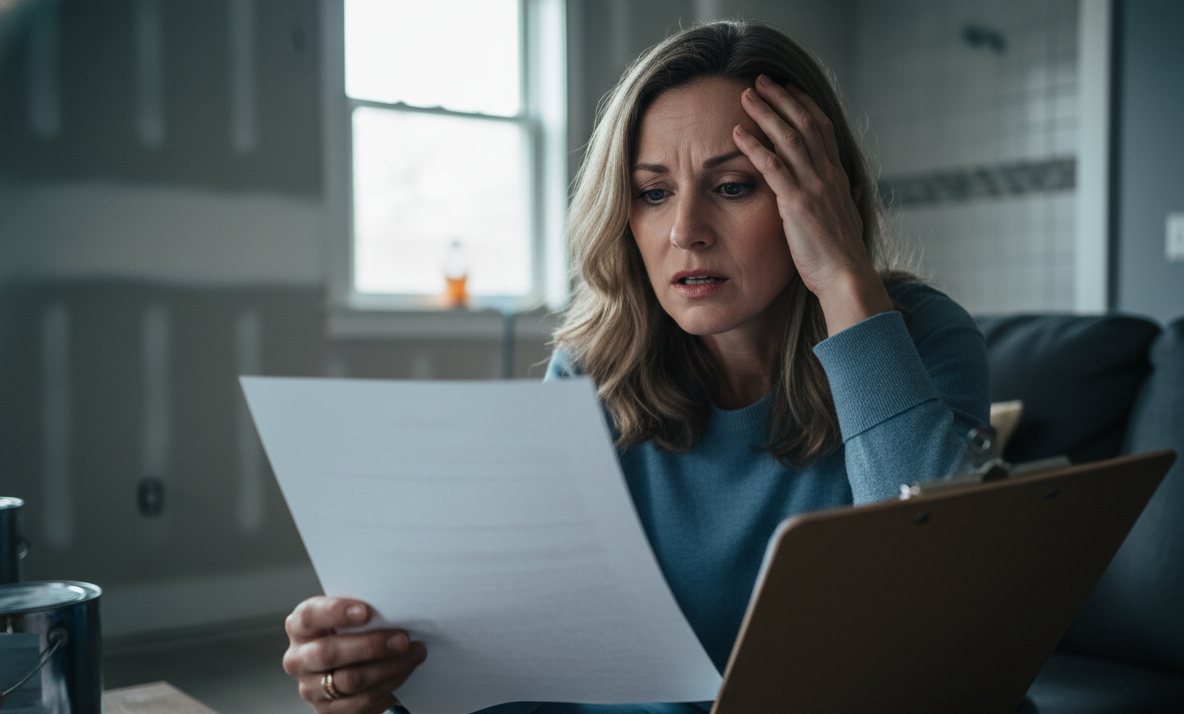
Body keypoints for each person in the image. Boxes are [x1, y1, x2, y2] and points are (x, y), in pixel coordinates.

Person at [281, 20, 990, 714]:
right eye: (653, 193)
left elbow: (943, 602)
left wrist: (842, 278)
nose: (685, 231)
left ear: (819, 197)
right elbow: (538, 666)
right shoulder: (594, 374)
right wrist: (385, 675)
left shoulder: (918, 336)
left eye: (734, 185)